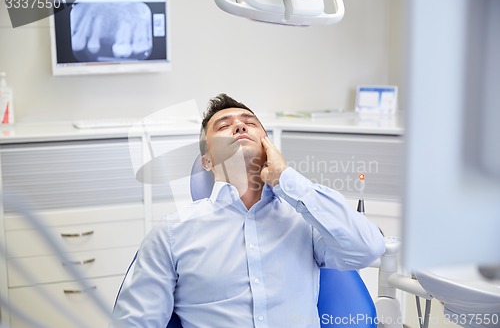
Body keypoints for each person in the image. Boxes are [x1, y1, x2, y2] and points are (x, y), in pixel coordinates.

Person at [110, 93, 385, 328]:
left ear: (268, 145)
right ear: (207, 160)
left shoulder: (305, 220)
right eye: (223, 126)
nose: (240, 126)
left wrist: (286, 178)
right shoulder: (171, 233)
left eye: (250, 123)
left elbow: (368, 248)